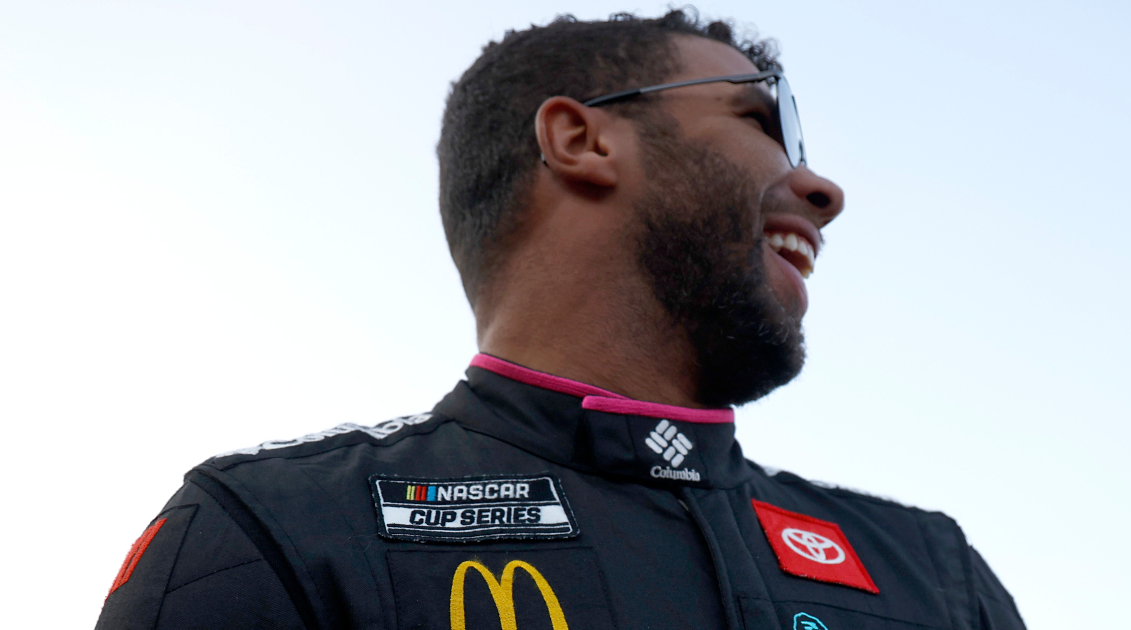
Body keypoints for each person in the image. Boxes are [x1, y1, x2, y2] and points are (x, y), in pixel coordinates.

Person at [95, 10, 1025, 630]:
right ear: (580, 140)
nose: (822, 189)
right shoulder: (284, 529)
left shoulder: (931, 574)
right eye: (759, 121)